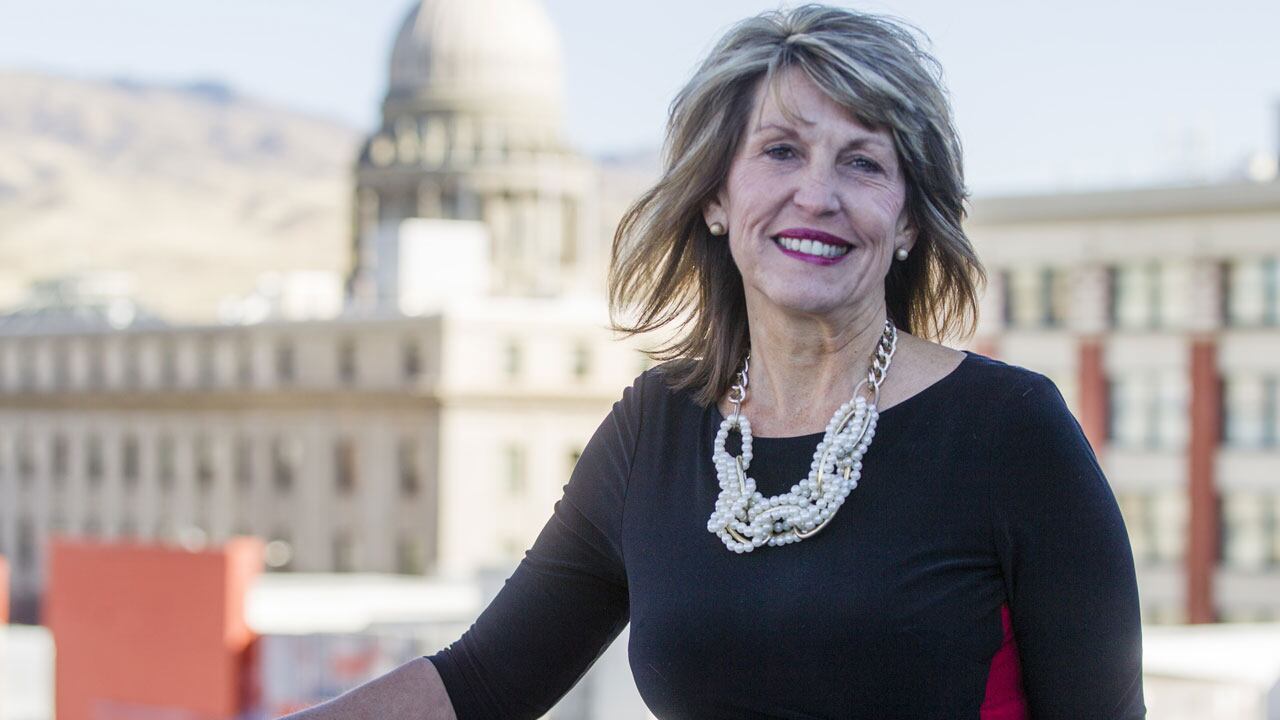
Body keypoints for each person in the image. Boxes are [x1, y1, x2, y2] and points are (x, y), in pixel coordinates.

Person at [284, 5, 1145, 719]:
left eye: (862, 162)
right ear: (716, 198)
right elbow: (482, 684)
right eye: (781, 151)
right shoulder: (654, 431)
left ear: (910, 221)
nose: (817, 194)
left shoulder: (1010, 433)